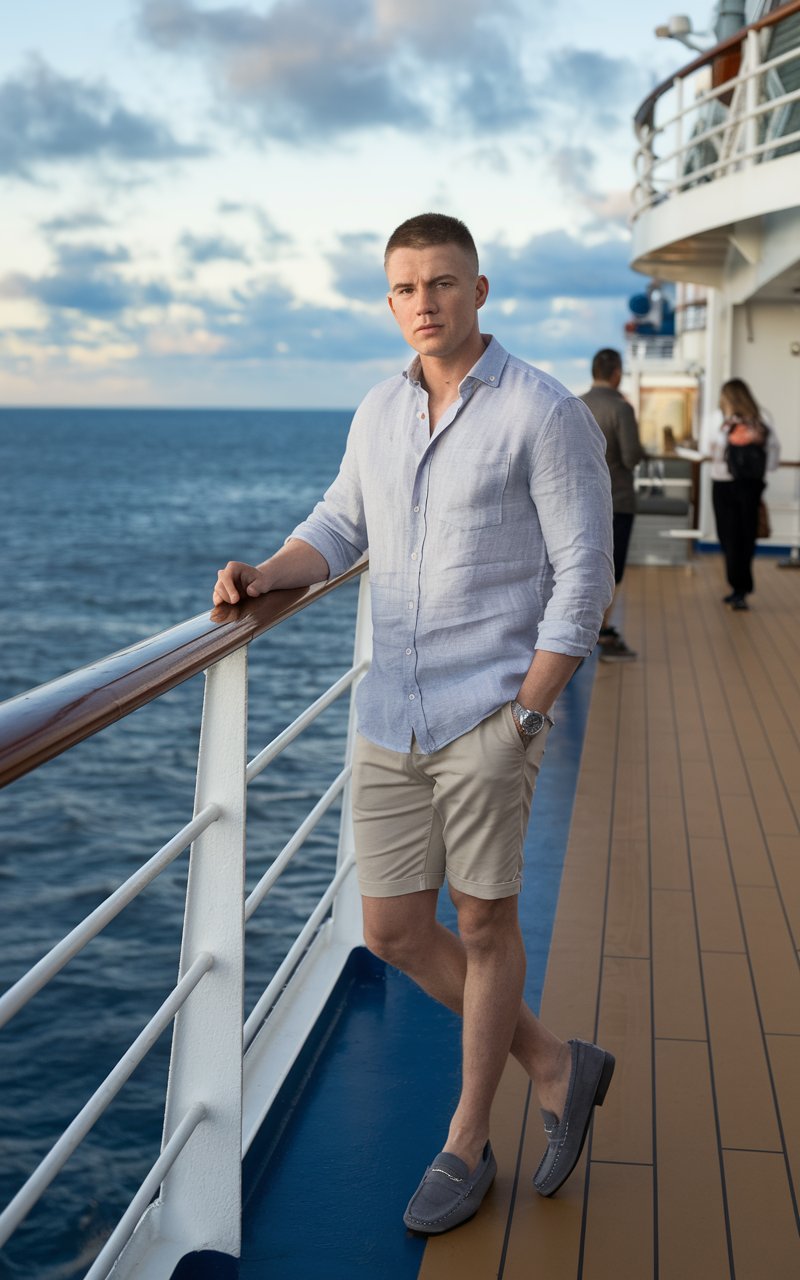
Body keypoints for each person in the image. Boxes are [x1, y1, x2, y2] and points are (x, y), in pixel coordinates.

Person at [214, 213, 616, 1234]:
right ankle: (555, 1061)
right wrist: (266, 572)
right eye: (403, 287)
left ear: (479, 289)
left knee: (483, 923)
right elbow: (339, 524)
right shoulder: (375, 414)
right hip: (388, 710)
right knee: (392, 929)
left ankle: (467, 1137)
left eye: (441, 282)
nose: (423, 301)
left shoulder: (541, 411)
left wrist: (529, 709)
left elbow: (583, 573)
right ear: (388, 300)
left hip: (489, 710)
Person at [580, 348, 645, 661]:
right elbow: (632, 457)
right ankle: (603, 632)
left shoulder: (578, 403)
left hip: (580, 500)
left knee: (581, 567)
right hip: (617, 499)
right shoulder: (621, 409)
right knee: (612, 570)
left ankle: (580, 632)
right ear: (616, 372)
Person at [710, 377, 780, 611]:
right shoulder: (762, 419)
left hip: (723, 483)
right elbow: (773, 451)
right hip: (751, 484)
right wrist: (761, 470)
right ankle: (741, 588)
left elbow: (710, 450)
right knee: (746, 536)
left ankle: (737, 586)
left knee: (727, 536)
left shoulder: (719, 420)